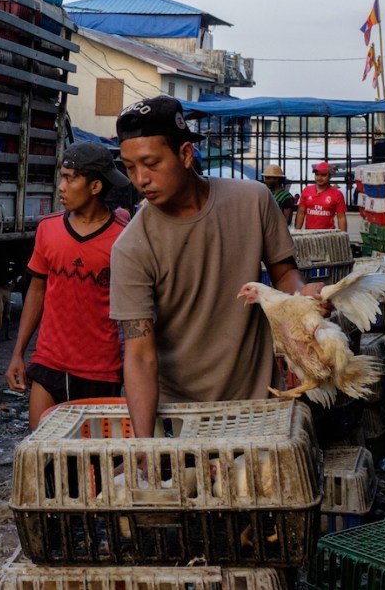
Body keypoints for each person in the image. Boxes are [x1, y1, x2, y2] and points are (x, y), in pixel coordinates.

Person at [110, 96, 315, 439]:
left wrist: (304, 296)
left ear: (185, 154)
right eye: (130, 168)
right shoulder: (131, 247)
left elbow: (284, 274)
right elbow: (140, 356)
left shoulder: (253, 200)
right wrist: (144, 447)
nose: (141, 179)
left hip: (259, 408)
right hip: (180, 419)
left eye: (151, 163)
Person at [7, 143, 129, 430]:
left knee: (91, 456)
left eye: (70, 179)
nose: (61, 187)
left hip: (101, 370)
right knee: (40, 449)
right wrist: (18, 354)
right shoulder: (48, 229)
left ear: (95, 186)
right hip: (49, 361)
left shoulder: (123, 239)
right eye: (61, 177)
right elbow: (36, 291)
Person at [296, 162, 348, 231]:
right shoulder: (306, 190)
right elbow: (301, 213)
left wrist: (343, 235)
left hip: (328, 234)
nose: (319, 178)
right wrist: (296, 232)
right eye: (317, 175)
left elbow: (341, 218)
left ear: (329, 176)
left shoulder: (337, 194)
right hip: (309, 234)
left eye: (323, 175)